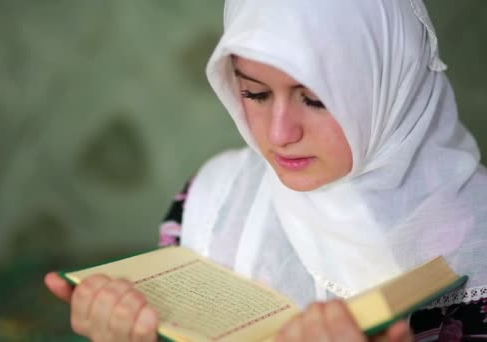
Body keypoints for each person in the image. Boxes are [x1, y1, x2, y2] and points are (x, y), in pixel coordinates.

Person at [45, 0, 487, 340]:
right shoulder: (212, 202)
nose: (279, 134)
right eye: (255, 94)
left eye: (315, 99)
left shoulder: (477, 237)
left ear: (394, 85)